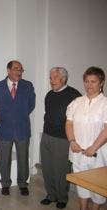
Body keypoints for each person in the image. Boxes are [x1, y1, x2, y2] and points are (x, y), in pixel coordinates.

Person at [65, 66, 107, 210]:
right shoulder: (76, 102)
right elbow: (69, 123)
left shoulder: (105, 103)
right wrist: (72, 141)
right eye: (86, 81)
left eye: (93, 81)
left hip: (99, 154)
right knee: (82, 184)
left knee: (98, 187)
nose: (89, 85)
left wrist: (93, 147)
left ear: (101, 83)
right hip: (78, 152)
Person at [40, 67, 81, 209]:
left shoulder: (74, 95)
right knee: (47, 168)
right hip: (46, 135)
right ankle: (51, 195)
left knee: (61, 169)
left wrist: (73, 139)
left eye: (55, 78)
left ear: (63, 79)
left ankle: (62, 197)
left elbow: (78, 120)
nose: (52, 81)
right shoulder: (49, 95)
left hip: (63, 139)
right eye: (51, 78)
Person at [0, 60, 35, 196]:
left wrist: (18, 116)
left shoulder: (27, 85)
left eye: (21, 69)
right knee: (4, 159)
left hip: (22, 128)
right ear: (8, 70)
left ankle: (23, 184)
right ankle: (5, 183)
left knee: (23, 157)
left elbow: (31, 105)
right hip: (4, 128)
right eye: (16, 68)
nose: (19, 71)